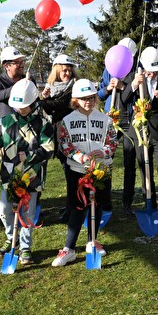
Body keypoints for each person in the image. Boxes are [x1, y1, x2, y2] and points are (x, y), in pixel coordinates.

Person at [0, 79, 54, 265]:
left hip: (31, 176)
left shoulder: (43, 124)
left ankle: (25, 247)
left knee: (27, 214)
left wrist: (30, 156)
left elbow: (49, 149)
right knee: (4, 210)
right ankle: (11, 238)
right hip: (8, 174)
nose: (20, 109)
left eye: (24, 106)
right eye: (18, 106)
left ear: (33, 103)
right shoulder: (5, 122)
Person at [51, 79, 118, 267]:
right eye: (83, 98)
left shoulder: (106, 119)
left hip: (100, 170)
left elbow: (112, 141)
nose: (88, 101)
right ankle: (69, 249)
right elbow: (64, 144)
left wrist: (104, 152)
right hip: (78, 170)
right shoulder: (68, 120)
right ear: (76, 100)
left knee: (98, 205)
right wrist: (79, 156)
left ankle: (92, 241)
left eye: (91, 97)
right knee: (77, 208)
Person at [122, 47, 158, 232]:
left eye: (156, 70)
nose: (153, 73)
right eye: (150, 70)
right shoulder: (134, 77)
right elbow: (123, 100)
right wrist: (133, 86)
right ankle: (151, 209)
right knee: (145, 173)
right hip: (140, 133)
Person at [97, 37, 137, 215]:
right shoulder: (108, 69)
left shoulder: (136, 71)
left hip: (129, 119)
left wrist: (124, 86)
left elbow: (139, 97)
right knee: (105, 160)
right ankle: (105, 201)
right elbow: (100, 94)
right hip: (111, 118)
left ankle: (127, 203)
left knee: (130, 161)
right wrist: (108, 89)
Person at [40, 54, 78, 223]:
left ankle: (72, 208)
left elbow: (60, 105)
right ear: (56, 70)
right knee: (67, 171)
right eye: (64, 70)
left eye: (69, 70)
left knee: (70, 172)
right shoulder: (52, 87)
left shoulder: (73, 87)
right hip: (57, 134)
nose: (67, 73)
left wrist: (38, 102)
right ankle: (71, 204)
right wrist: (45, 98)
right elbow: (49, 110)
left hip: (69, 135)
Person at [0, 46, 27, 121]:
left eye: (22, 61)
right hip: (6, 128)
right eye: (17, 63)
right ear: (7, 66)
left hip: (27, 127)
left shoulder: (28, 80)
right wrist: (18, 87)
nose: (22, 65)